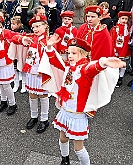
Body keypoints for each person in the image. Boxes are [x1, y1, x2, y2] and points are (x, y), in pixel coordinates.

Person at [41, 35, 125, 165]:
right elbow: (55, 61)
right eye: (69, 52)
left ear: (84, 54)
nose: (70, 55)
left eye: (74, 53)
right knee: (63, 138)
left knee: (78, 147)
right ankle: (65, 159)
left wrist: (103, 62)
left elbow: (93, 68)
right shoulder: (68, 66)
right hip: (65, 110)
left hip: (77, 114)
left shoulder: (84, 69)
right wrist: (50, 47)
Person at [12, 14, 50, 133]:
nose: (35, 29)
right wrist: (22, 39)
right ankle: (34, 117)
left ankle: (44, 119)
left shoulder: (50, 39)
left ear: (45, 26)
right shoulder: (31, 37)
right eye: (33, 27)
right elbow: (14, 38)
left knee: (43, 95)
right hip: (31, 71)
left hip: (42, 73)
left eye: (38, 26)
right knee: (32, 95)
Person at [110, 11, 131, 87]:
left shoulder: (127, 30)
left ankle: (120, 78)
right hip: (116, 49)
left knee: (123, 64)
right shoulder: (114, 29)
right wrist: (113, 49)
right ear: (119, 18)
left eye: (126, 19)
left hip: (124, 49)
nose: (124, 20)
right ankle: (114, 77)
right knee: (115, 63)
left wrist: (123, 52)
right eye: (123, 18)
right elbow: (112, 40)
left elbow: (126, 41)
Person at [10, 16, 27, 93]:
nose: (12, 26)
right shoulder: (10, 32)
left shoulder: (23, 32)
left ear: (19, 24)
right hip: (14, 53)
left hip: (21, 53)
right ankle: (16, 84)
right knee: (14, 69)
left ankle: (24, 85)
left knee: (22, 69)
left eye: (14, 24)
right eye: (11, 24)